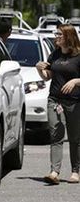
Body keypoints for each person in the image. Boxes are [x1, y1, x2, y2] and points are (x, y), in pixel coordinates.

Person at [36, 24, 80, 185]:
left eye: (59, 34)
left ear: (68, 36)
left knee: (75, 138)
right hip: (55, 100)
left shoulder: (78, 56)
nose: (56, 36)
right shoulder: (54, 54)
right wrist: (40, 69)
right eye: (56, 34)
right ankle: (54, 172)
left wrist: (75, 81)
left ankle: (76, 171)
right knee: (56, 135)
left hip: (75, 103)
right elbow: (47, 76)